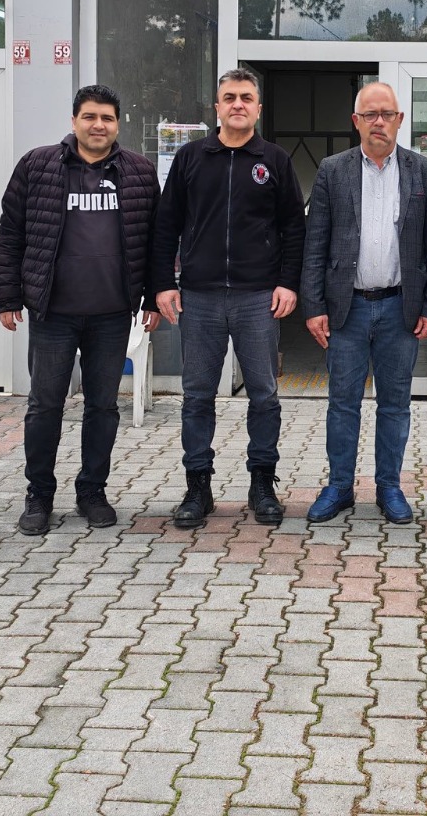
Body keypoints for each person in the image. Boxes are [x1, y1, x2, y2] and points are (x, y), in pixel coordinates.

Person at [0, 85, 160, 536]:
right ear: (74, 121)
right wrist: (7, 296)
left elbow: (155, 241)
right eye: (89, 116)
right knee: (45, 406)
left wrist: (153, 296)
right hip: (53, 313)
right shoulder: (38, 165)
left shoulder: (139, 172)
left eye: (107, 117)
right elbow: (11, 234)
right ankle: (39, 495)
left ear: (117, 124)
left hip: (112, 314)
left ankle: (92, 492)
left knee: (103, 407)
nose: (98, 125)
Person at [151, 68, 305, 529]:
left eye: (246, 97)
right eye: (230, 97)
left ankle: (262, 482)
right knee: (197, 395)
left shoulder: (274, 160)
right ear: (217, 107)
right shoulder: (191, 158)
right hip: (198, 297)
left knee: (265, 395)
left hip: (258, 297)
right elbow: (166, 225)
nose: (238, 104)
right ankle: (198, 485)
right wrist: (163, 283)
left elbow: (294, 228)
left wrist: (288, 282)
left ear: (258, 108)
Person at [301, 81, 427, 524]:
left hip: (400, 309)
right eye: (370, 114)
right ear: (356, 121)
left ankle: (389, 487)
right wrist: (314, 306)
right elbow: (315, 244)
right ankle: (339, 487)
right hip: (346, 309)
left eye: (387, 114)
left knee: (395, 404)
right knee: (342, 404)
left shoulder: (424, 172)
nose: (378, 122)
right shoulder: (333, 170)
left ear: (400, 119)